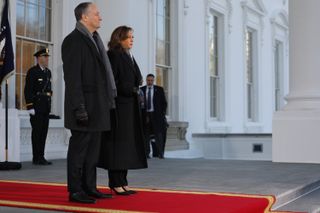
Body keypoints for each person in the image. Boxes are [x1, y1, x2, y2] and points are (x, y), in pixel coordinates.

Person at [61, 2, 116, 204]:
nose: (100, 17)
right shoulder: (73, 41)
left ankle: (89, 187)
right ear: (84, 17)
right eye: (96, 14)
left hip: (98, 106)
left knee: (93, 152)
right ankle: (75, 190)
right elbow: (73, 78)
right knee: (79, 151)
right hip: (83, 107)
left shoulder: (95, 40)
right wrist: (79, 108)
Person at [98, 26, 147, 195]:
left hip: (130, 107)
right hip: (119, 108)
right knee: (117, 146)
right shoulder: (113, 55)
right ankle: (115, 182)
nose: (132, 40)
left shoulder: (128, 55)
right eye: (129, 37)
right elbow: (113, 83)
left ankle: (123, 181)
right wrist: (131, 89)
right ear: (119, 38)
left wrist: (135, 89)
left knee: (126, 145)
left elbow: (136, 78)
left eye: (133, 37)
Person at [24, 48, 52, 166]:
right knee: (37, 133)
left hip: (45, 107)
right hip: (36, 107)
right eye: (45, 57)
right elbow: (28, 90)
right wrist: (30, 107)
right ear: (39, 58)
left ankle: (42, 156)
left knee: (43, 133)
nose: (47, 59)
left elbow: (48, 89)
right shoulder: (33, 71)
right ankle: (36, 158)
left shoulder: (48, 72)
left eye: (47, 57)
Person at [141, 74, 168, 159]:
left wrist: (161, 114)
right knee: (146, 135)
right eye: (148, 80)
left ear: (154, 80)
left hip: (156, 115)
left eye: (151, 80)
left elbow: (164, 103)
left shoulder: (159, 90)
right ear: (146, 80)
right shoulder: (142, 90)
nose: (150, 82)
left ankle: (160, 153)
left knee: (158, 135)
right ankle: (146, 153)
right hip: (145, 115)